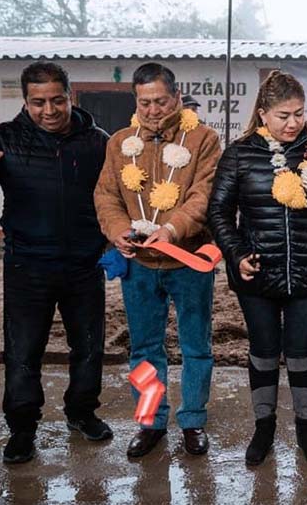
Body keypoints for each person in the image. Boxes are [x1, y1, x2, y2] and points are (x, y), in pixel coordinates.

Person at [0, 62, 111, 464]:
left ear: (70, 96)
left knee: (89, 346)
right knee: (23, 351)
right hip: (27, 264)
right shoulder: (1, 138)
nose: (49, 110)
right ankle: (22, 428)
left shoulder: (98, 142)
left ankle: (82, 412)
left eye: (58, 100)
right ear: (25, 101)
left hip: (84, 264)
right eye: (39, 102)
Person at [209, 71, 307, 466]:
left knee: (301, 352)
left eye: (299, 113)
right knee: (264, 352)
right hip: (257, 275)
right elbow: (218, 212)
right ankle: (263, 426)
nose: (293, 123)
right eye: (284, 115)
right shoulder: (239, 153)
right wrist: (237, 253)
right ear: (263, 113)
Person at [94, 63, 222, 458]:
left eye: (161, 101)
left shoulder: (203, 139)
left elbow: (203, 195)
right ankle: (150, 422)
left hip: (189, 262)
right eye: (145, 102)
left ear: (177, 98)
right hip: (140, 266)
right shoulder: (120, 142)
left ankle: (193, 421)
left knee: (195, 346)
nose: (153, 110)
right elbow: (106, 195)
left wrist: (171, 230)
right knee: (144, 349)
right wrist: (118, 230)